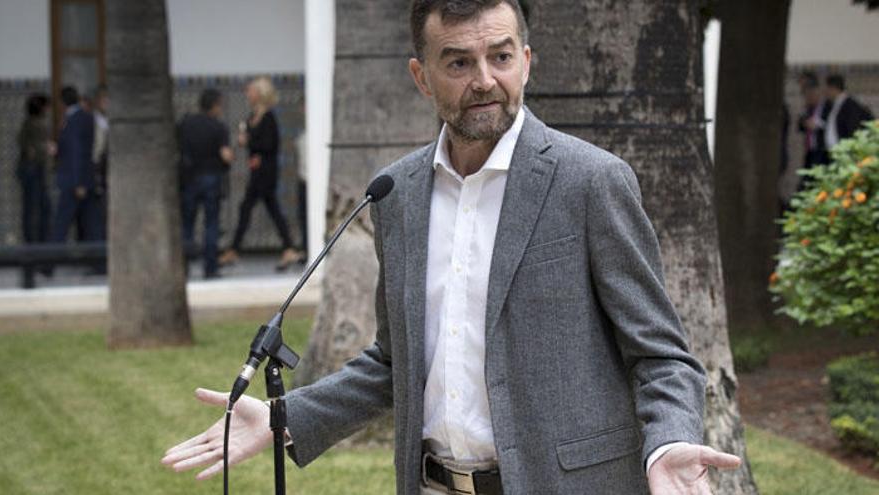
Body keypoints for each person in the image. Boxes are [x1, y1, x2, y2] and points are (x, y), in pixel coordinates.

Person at [163, 2, 741, 494]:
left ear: (527, 61)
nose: (484, 79)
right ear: (422, 76)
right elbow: (397, 359)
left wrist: (669, 440)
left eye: (501, 56)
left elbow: (661, 354)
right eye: (459, 62)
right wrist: (286, 418)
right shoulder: (397, 193)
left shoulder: (591, 181)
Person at [217, 77, 304, 271]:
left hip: (266, 171)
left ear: (260, 93)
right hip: (256, 170)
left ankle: (235, 249)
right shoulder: (251, 117)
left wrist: (249, 142)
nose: (248, 95)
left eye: (251, 91)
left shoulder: (268, 117)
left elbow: (269, 144)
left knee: (248, 207)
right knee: (267, 208)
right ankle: (288, 247)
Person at [178, 88, 234, 279]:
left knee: (187, 225)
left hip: (189, 179)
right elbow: (225, 155)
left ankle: (182, 266)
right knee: (211, 224)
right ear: (216, 105)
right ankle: (210, 268)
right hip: (211, 177)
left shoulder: (186, 124)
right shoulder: (218, 127)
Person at [51, 85, 98, 244]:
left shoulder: (73, 120)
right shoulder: (85, 117)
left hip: (74, 181)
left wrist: (78, 182)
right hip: (84, 178)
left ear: (62, 102)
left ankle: (49, 262)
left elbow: (77, 152)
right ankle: (95, 262)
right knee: (90, 223)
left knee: (62, 222)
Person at [16, 93, 54, 244]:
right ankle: (37, 251)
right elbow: (32, 149)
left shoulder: (29, 123)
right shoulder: (36, 124)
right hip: (34, 171)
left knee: (35, 210)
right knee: (38, 211)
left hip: (30, 171)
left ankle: (34, 250)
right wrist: (47, 148)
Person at [820, 74, 875, 150]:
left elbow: (853, 129)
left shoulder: (849, 105)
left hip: (846, 150)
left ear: (833, 88)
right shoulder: (834, 105)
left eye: (827, 89)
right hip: (836, 150)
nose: (825, 92)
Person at [90, 84, 110, 241]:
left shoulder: (110, 120)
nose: (107, 103)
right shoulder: (91, 120)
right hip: (96, 169)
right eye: (104, 100)